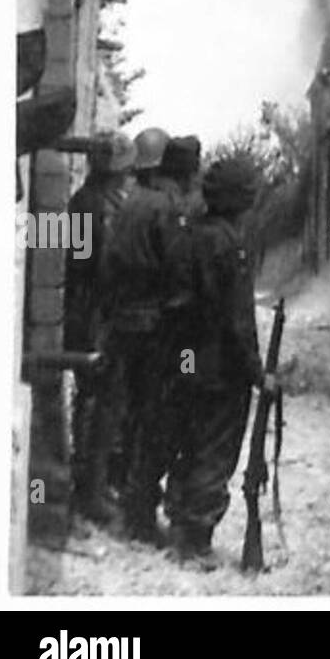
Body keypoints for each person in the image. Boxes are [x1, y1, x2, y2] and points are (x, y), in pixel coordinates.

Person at [162, 156, 274, 566]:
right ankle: (195, 540)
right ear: (241, 200)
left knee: (187, 438)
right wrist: (257, 373)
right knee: (215, 447)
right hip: (218, 367)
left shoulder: (189, 234)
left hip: (186, 359)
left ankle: (178, 526)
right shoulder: (230, 245)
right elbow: (237, 321)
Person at [101, 126, 187, 543]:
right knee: (152, 419)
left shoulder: (127, 204)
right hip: (153, 326)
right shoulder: (162, 208)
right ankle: (138, 514)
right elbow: (175, 269)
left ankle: (118, 494)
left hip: (120, 322)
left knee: (127, 410)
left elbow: (103, 265)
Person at [65, 132, 136, 524]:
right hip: (100, 314)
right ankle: (92, 493)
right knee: (104, 403)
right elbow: (102, 267)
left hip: (81, 310)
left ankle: (90, 485)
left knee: (92, 401)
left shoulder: (78, 201)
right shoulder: (103, 208)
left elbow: (58, 257)